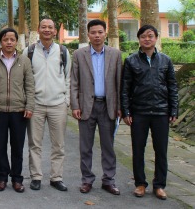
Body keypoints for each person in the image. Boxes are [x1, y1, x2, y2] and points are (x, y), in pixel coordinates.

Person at [121, 25, 178, 200]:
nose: (147, 39)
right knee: (138, 149)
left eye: (151, 36)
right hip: (139, 112)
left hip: (161, 111)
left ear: (156, 38)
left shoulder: (165, 61)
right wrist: (126, 111)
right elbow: (125, 88)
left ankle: (159, 185)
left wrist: (173, 109)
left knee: (161, 150)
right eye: (144, 36)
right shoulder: (131, 61)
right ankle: (140, 184)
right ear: (139, 39)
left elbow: (172, 87)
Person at [70, 19, 122, 195]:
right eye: (93, 32)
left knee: (108, 146)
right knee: (85, 146)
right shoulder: (79, 54)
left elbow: (119, 82)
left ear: (105, 33)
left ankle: (109, 180)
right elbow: (74, 82)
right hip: (86, 107)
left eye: (100, 32)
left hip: (108, 106)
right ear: (88, 34)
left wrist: (120, 106)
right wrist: (75, 105)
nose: (97, 36)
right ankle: (87, 180)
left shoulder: (115, 54)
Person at [0, 28, 35, 193]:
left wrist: (29, 106)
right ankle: (2, 177)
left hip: (19, 110)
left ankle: (17, 179)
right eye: (6, 39)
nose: (10, 42)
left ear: (16, 42)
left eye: (13, 39)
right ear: (1, 42)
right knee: (0, 146)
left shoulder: (24, 61)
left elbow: (30, 86)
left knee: (17, 146)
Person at [23, 18, 71, 192]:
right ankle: (36, 177)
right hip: (35, 104)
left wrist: (66, 101)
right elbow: (24, 78)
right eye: (43, 27)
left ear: (55, 31)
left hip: (58, 104)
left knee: (58, 144)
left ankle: (56, 177)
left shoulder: (63, 51)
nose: (47, 30)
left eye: (50, 27)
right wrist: (27, 102)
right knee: (35, 144)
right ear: (38, 29)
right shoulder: (28, 51)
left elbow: (68, 78)